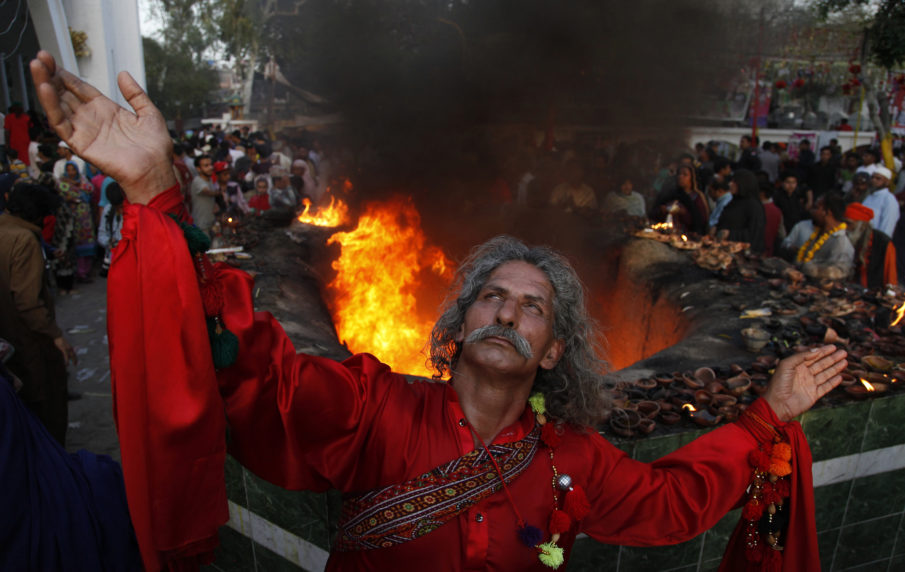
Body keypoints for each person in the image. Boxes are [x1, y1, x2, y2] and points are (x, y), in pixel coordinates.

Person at [32, 49, 847, 572]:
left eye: (532, 309)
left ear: (553, 352)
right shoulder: (372, 411)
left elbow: (673, 504)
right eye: (491, 294)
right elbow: (253, 366)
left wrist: (767, 414)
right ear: (452, 330)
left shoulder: (574, 462)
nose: (507, 312)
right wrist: (154, 193)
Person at [0, 182, 76, 445]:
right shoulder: (24, 240)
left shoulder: (6, 229)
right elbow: (28, 302)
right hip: (27, 340)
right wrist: (55, 337)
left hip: (9, 342)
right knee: (46, 407)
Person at [794, 193, 854, 281]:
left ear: (827, 212)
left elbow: (839, 273)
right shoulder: (818, 234)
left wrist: (807, 268)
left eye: (816, 208)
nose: (812, 211)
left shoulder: (841, 242)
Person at [844, 203, 898, 289]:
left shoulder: (883, 242)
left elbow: (890, 276)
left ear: (862, 225)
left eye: (849, 224)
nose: (845, 227)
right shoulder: (844, 237)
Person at [715, 170, 766, 253]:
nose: (730, 184)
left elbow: (754, 233)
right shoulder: (733, 202)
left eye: (734, 182)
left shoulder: (753, 206)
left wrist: (730, 234)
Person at [861, 165, 899, 238]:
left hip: (875, 240)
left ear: (887, 182)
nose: (873, 180)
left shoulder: (889, 200)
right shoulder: (869, 195)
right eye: (872, 177)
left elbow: (887, 226)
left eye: (878, 178)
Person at [97, 182, 125, 277]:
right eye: (118, 208)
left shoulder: (134, 212)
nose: (121, 211)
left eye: (122, 207)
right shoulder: (108, 211)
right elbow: (101, 235)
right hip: (114, 258)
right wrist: (109, 242)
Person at [191, 154, 218, 233]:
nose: (210, 167)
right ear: (198, 169)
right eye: (206, 166)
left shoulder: (209, 180)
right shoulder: (198, 181)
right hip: (201, 224)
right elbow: (207, 192)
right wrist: (220, 193)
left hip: (210, 221)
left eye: (211, 164)